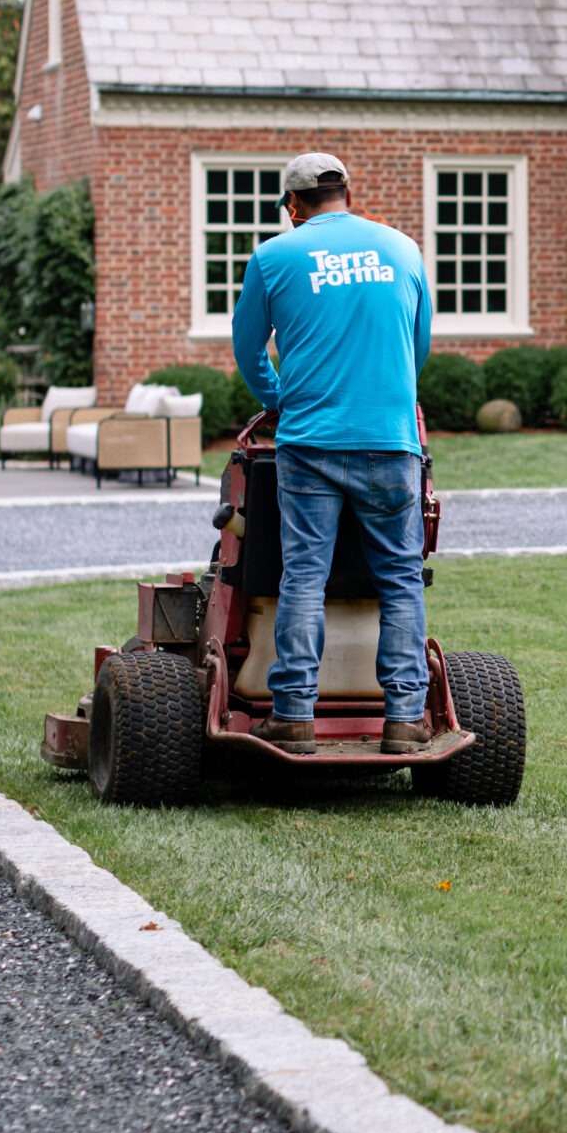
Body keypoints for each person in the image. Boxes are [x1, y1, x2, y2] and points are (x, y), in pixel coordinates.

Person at [230, 152, 435, 753]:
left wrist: (282, 399)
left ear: (293, 207)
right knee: (400, 580)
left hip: (311, 444)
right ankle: (404, 720)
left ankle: (293, 713)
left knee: (303, 578)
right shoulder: (403, 249)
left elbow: (248, 351)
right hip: (389, 441)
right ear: (347, 192)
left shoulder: (274, 257)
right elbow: (414, 349)